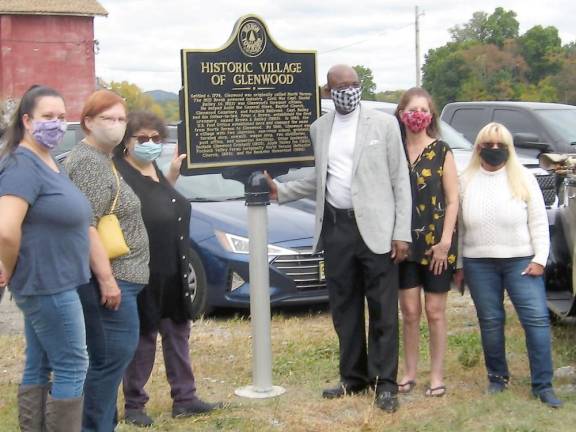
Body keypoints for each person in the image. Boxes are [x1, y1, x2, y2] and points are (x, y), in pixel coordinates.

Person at [266, 64, 412, 413]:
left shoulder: (385, 124)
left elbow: (400, 180)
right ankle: (353, 378)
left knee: (382, 309)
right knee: (344, 308)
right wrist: (281, 191)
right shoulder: (319, 128)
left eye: (354, 84)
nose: (349, 90)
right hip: (337, 228)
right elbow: (321, 179)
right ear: (328, 92)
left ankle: (385, 383)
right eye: (341, 86)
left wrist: (401, 232)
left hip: (377, 230)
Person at [113, 111, 222, 427]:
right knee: (143, 338)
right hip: (141, 269)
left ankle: (185, 398)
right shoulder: (120, 174)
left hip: (173, 267)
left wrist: (171, 174)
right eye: (142, 139)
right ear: (127, 142)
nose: (150, 144)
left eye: (155, 139)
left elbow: (162, 203)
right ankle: (135, 404)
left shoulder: (154, 170)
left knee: (177, 332)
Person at [0, 85, 92, 431]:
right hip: (46, 282)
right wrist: (7, 267)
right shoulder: (21, 165)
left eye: (59, 116)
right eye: (46, 117)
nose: (55, 123)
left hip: (57, 278)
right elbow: (6, 229)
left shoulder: (48, 160)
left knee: (38, 362)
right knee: (72, 364)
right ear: (26, 120)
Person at [455, 122, 563, 408]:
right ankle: (497, 378)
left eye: (499, 145)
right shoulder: (465, 180)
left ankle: (543, 385)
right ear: (478, 148)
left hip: (522, 260)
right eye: (487, 145)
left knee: (536, 321)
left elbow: (539, 222)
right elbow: (459, 228)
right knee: (490, 322)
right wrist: (460, 264)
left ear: (508, 148)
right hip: (479, 263)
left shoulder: (524, 178)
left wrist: (540, 259)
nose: (493, 150)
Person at [65, 90, 150, 431]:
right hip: (110, 281)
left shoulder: (103, 159)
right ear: (87, 122)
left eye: (120, 119)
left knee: (110, 359)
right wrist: (107, 279)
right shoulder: (87, 161)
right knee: (109, 359)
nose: (116, 126)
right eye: (107, 119)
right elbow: (85, 226)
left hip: (122, 279)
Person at [393, 88, 458, 398]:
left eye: (423, 109)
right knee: (409, 312)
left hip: (436, 247)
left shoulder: (443, 151)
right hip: (404, 245)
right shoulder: (394, 150)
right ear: (402, 113)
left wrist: (446, 241)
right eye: (412, 109)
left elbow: (453, 199)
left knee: (434, 311)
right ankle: (408, 372)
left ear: (431, 115)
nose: (417, 115)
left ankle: (436, 375)